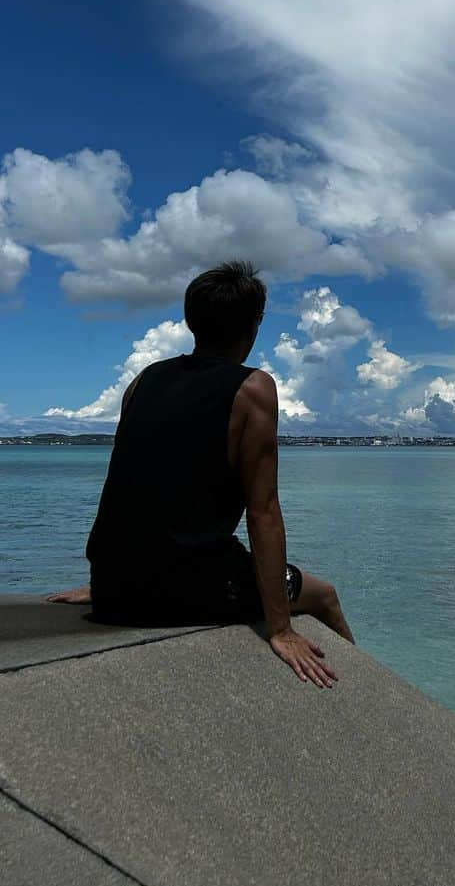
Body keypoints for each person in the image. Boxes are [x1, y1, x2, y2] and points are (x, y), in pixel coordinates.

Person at [45, 260, 353, 688]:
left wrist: (108, 579)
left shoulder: (144, 380)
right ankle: (373, 708)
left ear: (192, 321)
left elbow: (126, 485)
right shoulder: (254, 389)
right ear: (255, 324)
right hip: (187, 589)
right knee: (324, 595)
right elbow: (263, 512)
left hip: (114, 587)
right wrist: (280, 629)